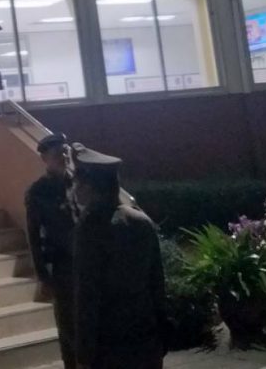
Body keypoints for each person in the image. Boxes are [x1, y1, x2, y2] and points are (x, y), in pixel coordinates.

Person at [72, 149, 167, 369]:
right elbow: (157, 283)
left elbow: (87, 293)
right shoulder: (142, 221)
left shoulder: (90, 228)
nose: (75, 190)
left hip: (110, 344)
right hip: (146, 337)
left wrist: (84, 351)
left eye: (78, 184)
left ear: (90, 186)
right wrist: (162, 334)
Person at [24, 132, 79, 369]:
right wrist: (43, 276)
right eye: (58, 153)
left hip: (88, 265)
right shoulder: (39, 192)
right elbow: (34, 237)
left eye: (66, 152)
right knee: (69, 329)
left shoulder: (81, 182)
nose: (64, 157)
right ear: (44, 158)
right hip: (63, 269)